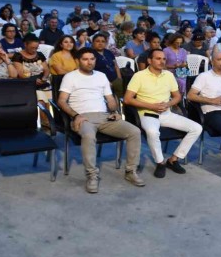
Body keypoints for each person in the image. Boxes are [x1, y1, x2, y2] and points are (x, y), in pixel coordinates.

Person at [58, 48, 145, 193]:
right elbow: (61, 101)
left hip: (105, 117)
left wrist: (115, 111)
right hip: (83, 117)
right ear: (78, 61)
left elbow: (110, 99)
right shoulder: (70, 77)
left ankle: (131, 171)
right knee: (89, 135)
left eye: (92, 59)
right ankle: (92, 175)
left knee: (134, 131)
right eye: (85, 59)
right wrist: (75, 115)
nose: (89, 62)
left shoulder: (101, 76)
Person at [124, 48, 202, 177]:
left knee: (196, 128)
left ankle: (174, 159)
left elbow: (177, 96)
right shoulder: (139, 76)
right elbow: (127, 99)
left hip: (166, 113)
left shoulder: (168, 75)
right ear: (149, 60)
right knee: (153, 132)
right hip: (148, 113)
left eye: (164, 59)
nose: (162, 61)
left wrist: (168, 104)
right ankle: (160, 162)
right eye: (158, 58)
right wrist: (151, 106)